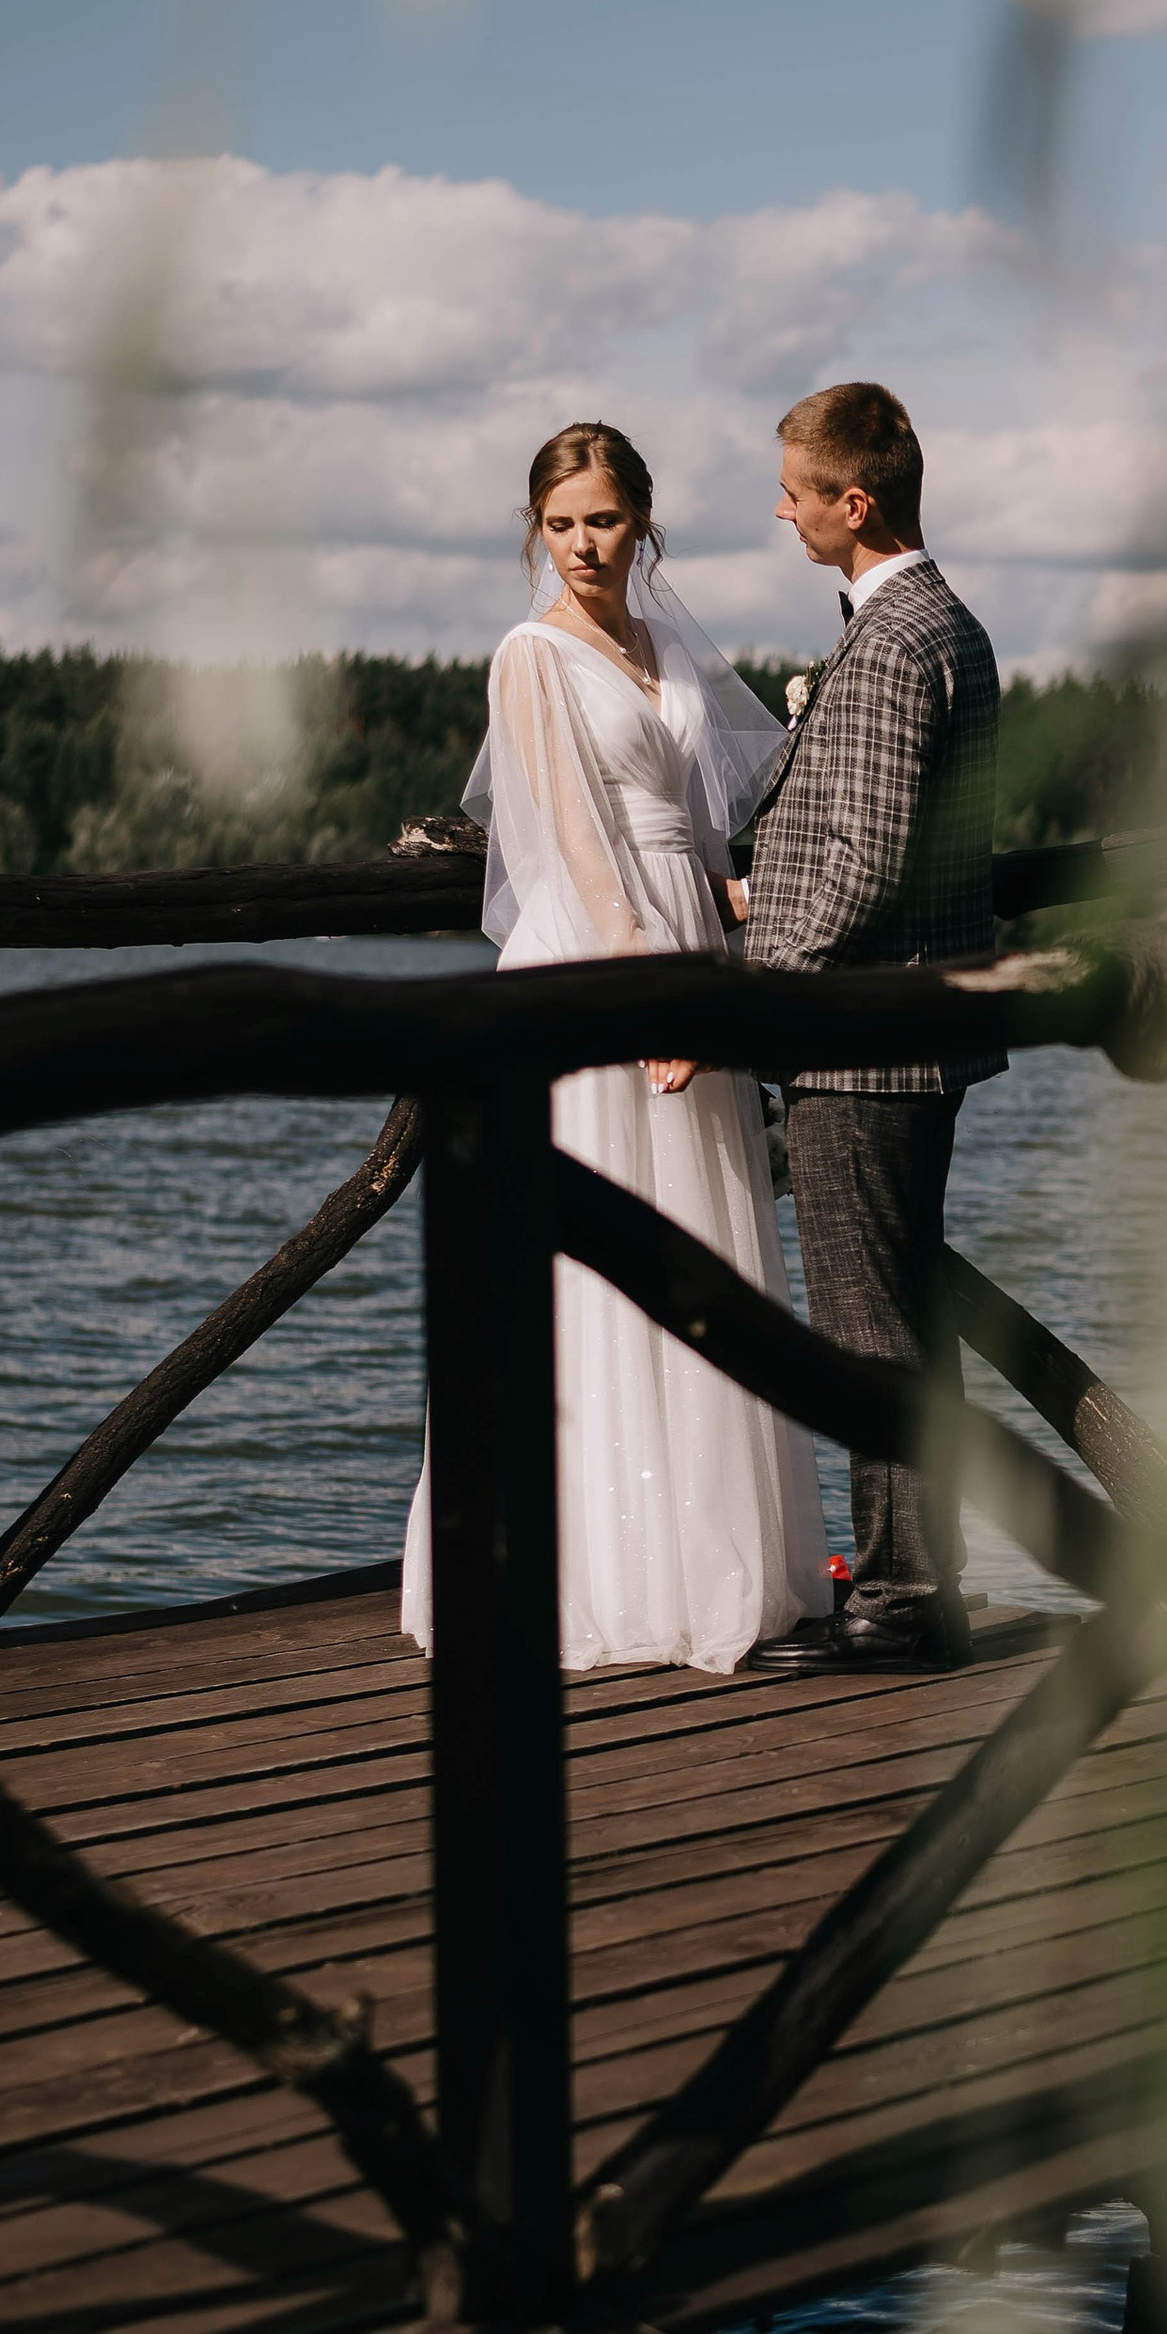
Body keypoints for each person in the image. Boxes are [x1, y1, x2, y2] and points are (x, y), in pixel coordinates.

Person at [400, 421, 832, 1675]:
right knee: (587, 1267)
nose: (584, 543)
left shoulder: (661, 645)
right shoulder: (529, 656)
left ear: (644, 519)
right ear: (536, 531)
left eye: (604, 518)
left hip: (681, 935)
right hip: (598, 961)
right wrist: (646, 985)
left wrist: (724, 901)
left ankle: (711, 1556)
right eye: (560, 523)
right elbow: (575, 840)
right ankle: (584, 1573)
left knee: (702, 1241)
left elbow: (686, 815)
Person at [739, 380, 1001, 1672]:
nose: (779, 509)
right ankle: (916, 1580)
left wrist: (756, 976)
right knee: (898, 1314)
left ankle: (901, 1598)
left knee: (869, 1327)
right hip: (907, 1030)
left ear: (856, 502)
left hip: (864, 1036)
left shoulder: (897, 643)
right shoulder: (938, 626)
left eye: (795, 489)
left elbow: (873, 858)